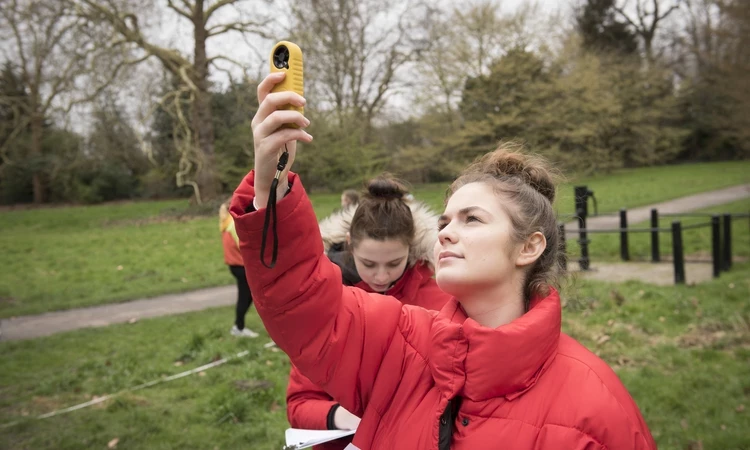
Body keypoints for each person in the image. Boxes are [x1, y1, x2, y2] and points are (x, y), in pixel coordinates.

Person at [230, 72, 656, 449]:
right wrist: (272, 177)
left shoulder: (595, 407)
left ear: (529, 247)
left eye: (472, 219)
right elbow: (302, 303)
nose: (446, 231)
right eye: (447, 218)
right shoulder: (399, 342)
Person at [287, 176, 451, 450]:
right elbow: (300, 404)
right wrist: (341, 416)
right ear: (350, 243)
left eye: (394, 263)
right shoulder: (327, 304)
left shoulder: (443, 299)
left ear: (411, 247)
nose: (381, 276)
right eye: (369, 263)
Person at [219, 200, 258, 338]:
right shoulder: (233, 224)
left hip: (234, 265)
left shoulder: (225, 223)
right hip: (241, 266)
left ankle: (239, 325)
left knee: (249, 295)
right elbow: (244, 245)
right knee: (244, 297)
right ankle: (238, 327)